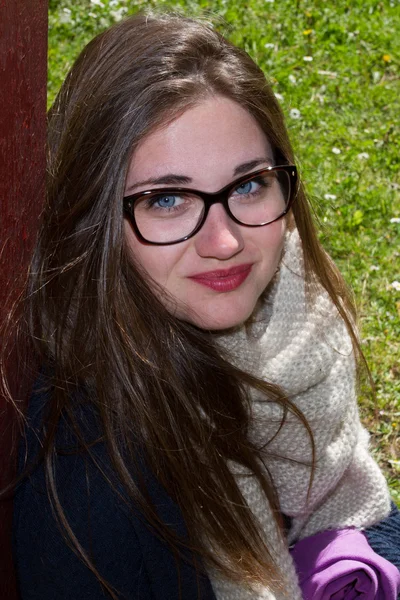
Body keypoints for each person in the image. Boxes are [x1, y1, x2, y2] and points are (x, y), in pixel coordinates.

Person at [5, 11, 400, 600]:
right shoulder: (95, 478)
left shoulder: (296, 316)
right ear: (94, 222)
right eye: (167, 199)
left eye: (247, 184)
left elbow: (359, 506)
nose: (225, 242)